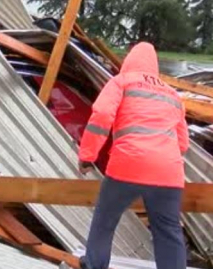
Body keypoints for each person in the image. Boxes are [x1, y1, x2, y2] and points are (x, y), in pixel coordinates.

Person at [78, 42, 189, 269]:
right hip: (168, 172)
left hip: (127, 164)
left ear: (129, 61)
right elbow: (183, 143)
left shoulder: (121, 82)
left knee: (105, 221)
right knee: (168, 230)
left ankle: (94, 265)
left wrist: (87, 155)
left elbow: (101, 116)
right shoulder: (172, 94)